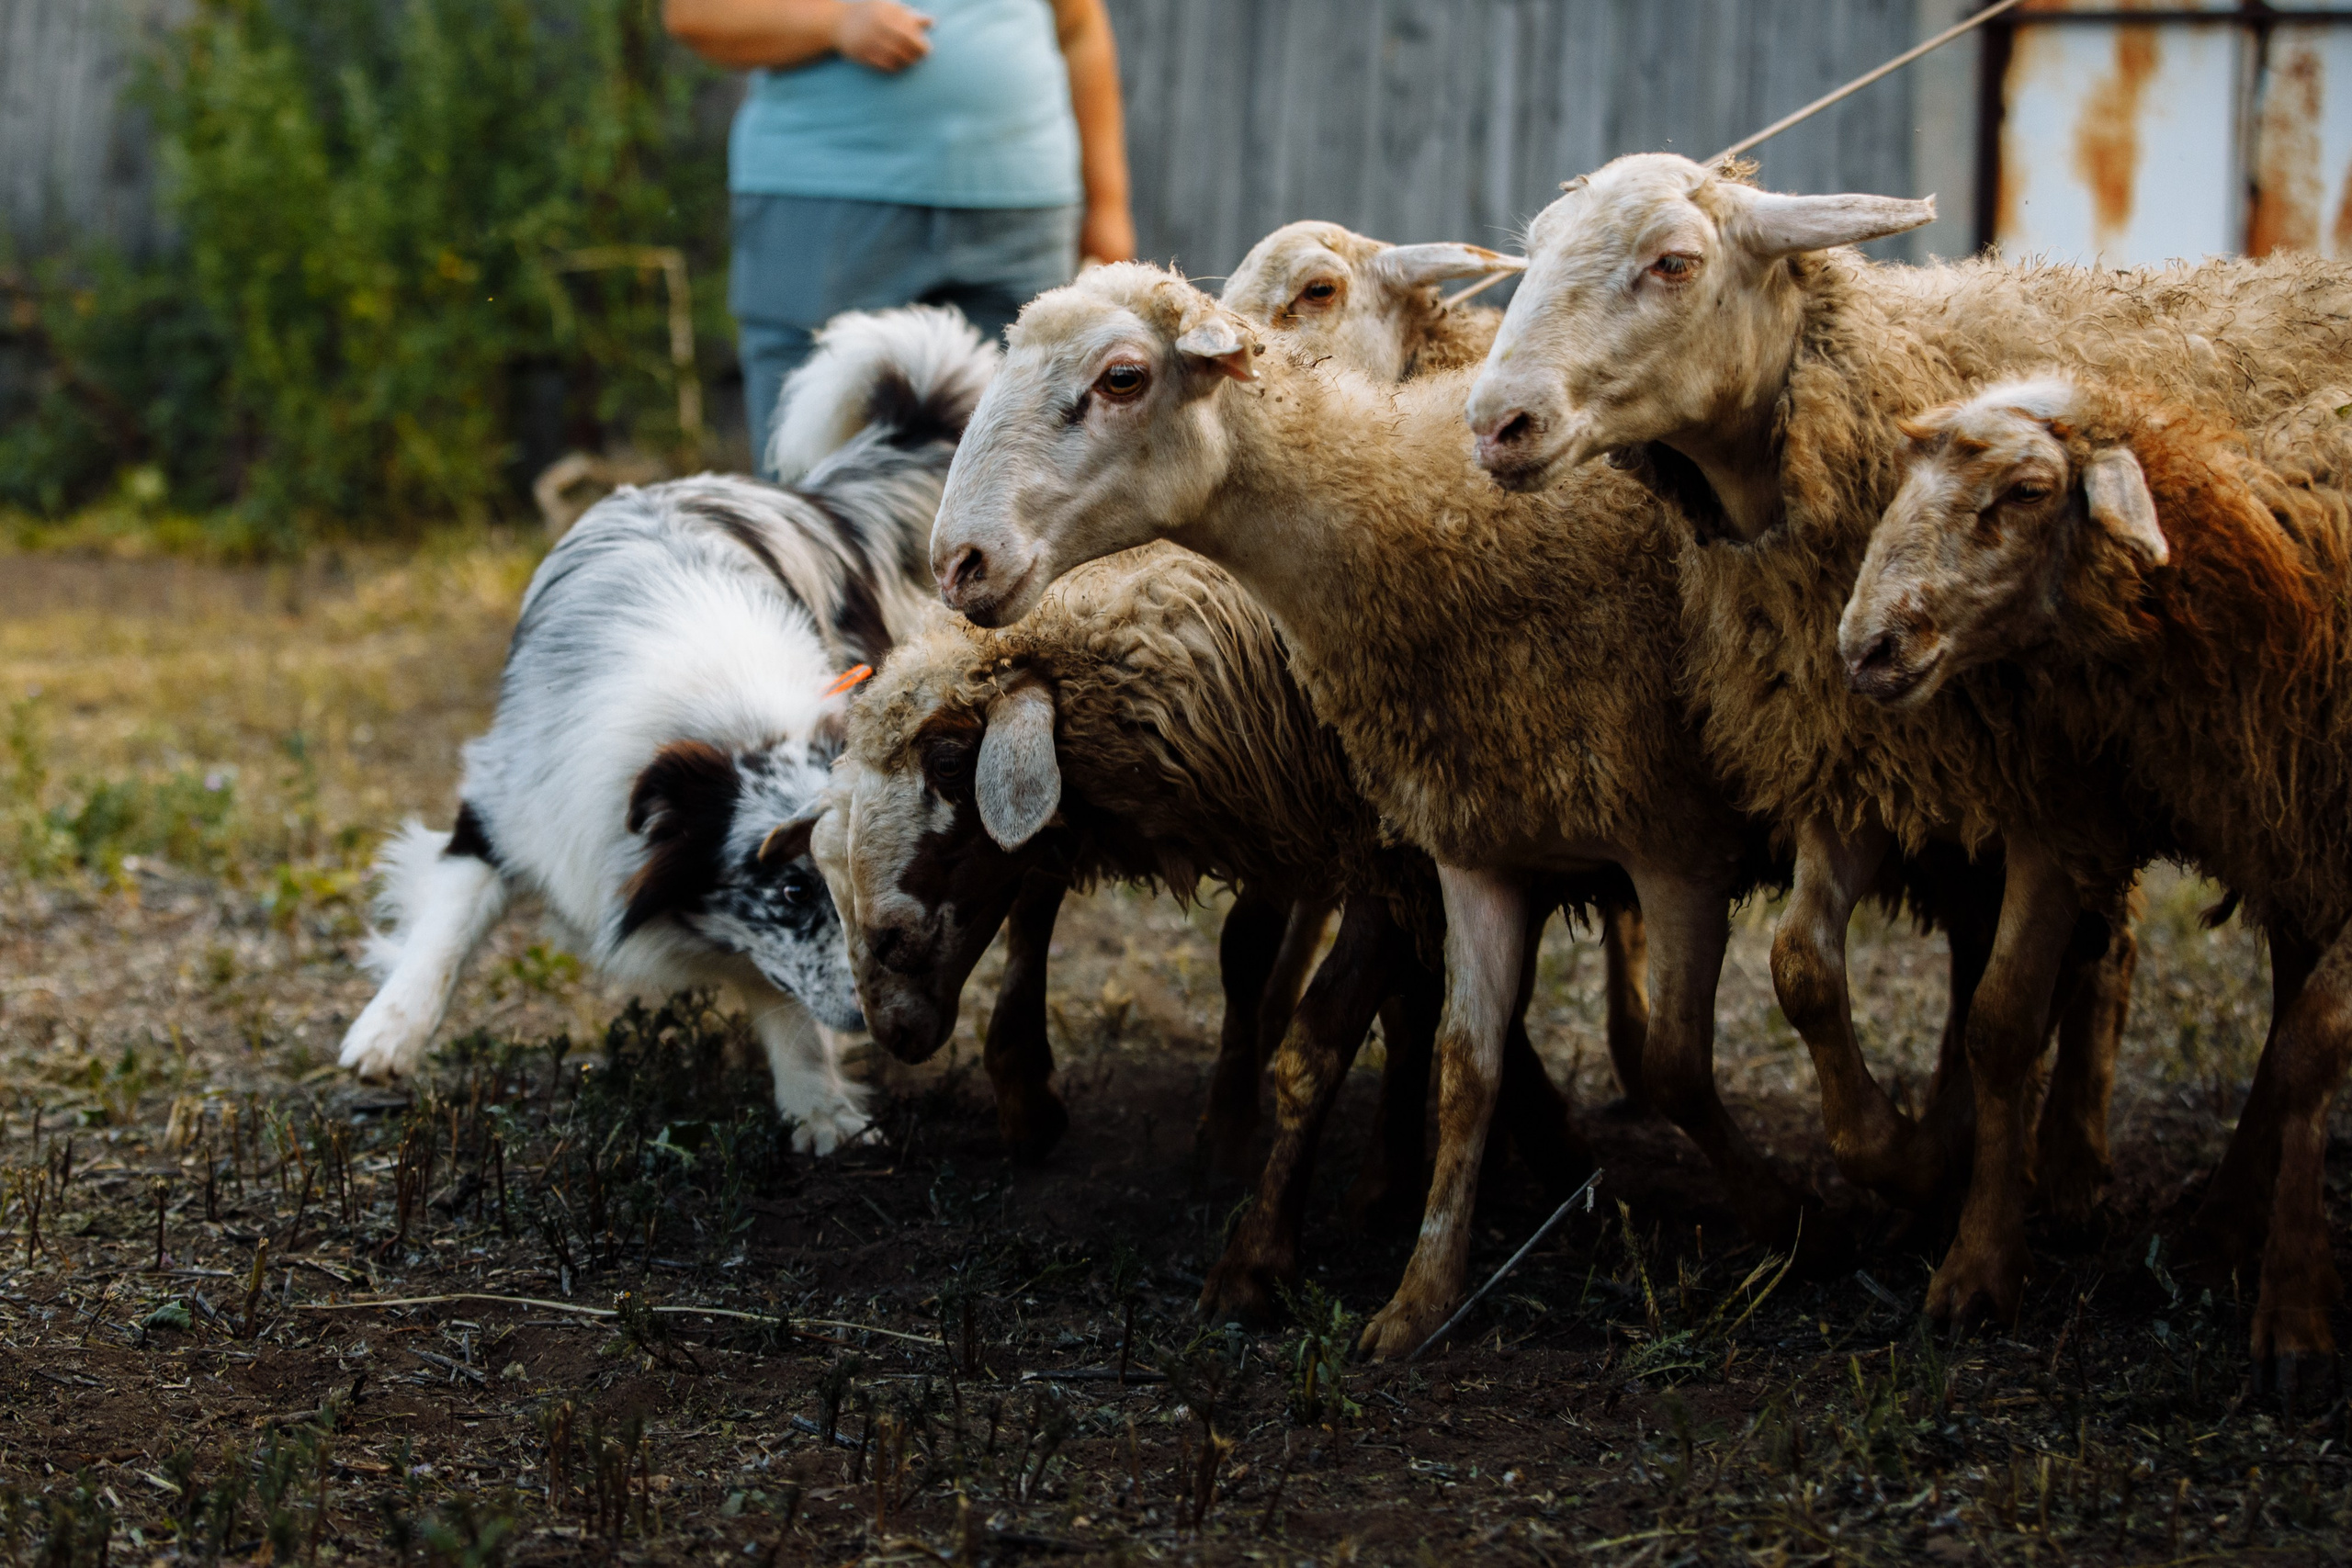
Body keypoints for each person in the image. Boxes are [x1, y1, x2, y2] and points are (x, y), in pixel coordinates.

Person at [664, 0, 1135, 469]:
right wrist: (834, 23)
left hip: (1022, 214)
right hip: (824, 207)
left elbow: (1079, 31)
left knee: (1022, 477)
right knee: (811, 482)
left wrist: (1107, 205)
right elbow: (695, 13)